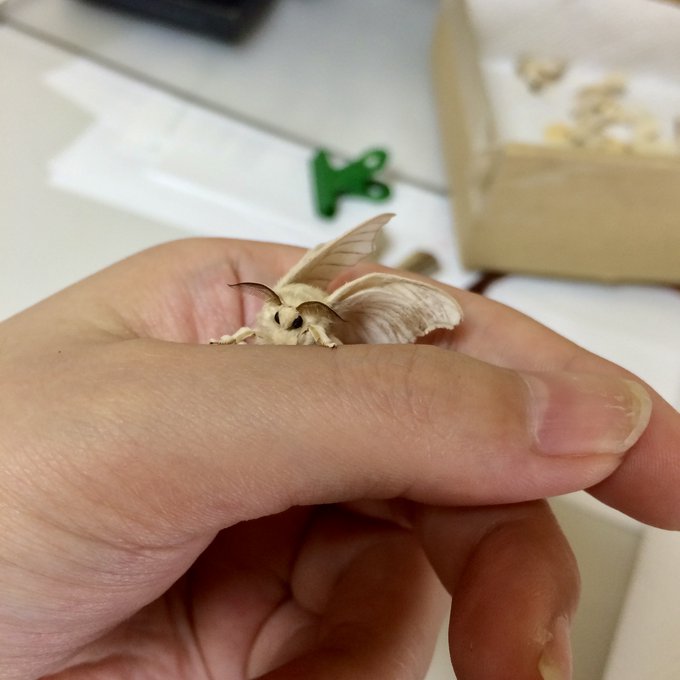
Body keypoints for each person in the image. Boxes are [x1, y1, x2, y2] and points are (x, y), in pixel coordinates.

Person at [0, 236, 677, 680]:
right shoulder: (266, 322)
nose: (277, 325)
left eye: (291, 320)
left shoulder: (324, 327)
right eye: (273, 317)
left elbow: (319, 349)